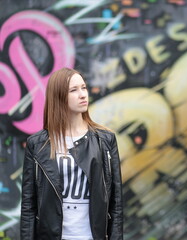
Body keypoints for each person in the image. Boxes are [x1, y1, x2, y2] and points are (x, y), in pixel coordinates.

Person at [20, 68, 123, 240]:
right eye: (74, 90)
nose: (83, 94)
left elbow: (116, 203)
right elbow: (29, 207)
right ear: (59, 97)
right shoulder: (38, 144)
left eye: (83, 88)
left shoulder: (105, 140)